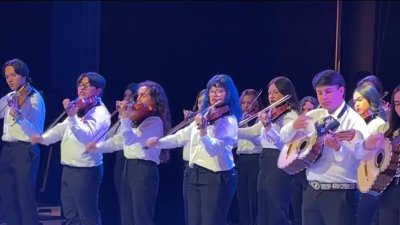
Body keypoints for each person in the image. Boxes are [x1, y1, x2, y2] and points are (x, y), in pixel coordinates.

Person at [145, 74, 241, 225]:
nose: (214, 95)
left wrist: (203, 130)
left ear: (228, 94)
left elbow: (214, 150)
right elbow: (182, 136)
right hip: (193, 174)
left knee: (211, 221)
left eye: (219, 91)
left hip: (216, 177)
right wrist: (159, 142)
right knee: (193, 221)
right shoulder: (205, 115)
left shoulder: (229, 121)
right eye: (212, 91)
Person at [280, 69, 370, 225]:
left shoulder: (354, 121)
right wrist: (293, 126)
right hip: (312, 190)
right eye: (319, 93)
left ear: (341, 90)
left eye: (328, 92)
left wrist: (338, 148)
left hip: (340, 193)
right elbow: (284, 137)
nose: (323, 97)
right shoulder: (315, 114)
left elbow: (361, 157)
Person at [87, 80, 171, 225]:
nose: (138, 99)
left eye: (143, 95)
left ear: (154, 98)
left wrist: (125, 118)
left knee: (141, 217)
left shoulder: (155, 121)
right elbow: (119, 141)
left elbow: (131, 140)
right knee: (127, 216)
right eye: (138, 95)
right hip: (129, 167)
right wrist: (97, 146)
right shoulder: (136, 119)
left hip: (143, 170)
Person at [31, 72, 110, 225]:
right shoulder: (80, 106)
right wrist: (43, 138)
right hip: (69, 168)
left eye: (86, 85)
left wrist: (73, 116)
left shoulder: (100, 113)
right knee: (70, 214)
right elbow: (62, 128)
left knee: (87, 215)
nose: (81, 88)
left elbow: (86, 136)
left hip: (85, 170)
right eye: (80, 85)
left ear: (98, 90)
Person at [238, 76, 299, 225]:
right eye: (269, 93)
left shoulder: (291, 116)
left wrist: (267, 127)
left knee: (277, 210)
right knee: (263, 209)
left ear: (285, 93)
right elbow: (253, 132)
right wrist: (231, 130)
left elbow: (284, 143)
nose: (271, 97)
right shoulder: (271, 113)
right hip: (264, 160)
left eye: (276, 92)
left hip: (278, 160)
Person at [0, 58, 45, 225]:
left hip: (24, 150)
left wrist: (18, 116)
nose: (9, 79)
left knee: (24, 198)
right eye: (6, 76)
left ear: (24, 75)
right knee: (7, 198)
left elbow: (36, 132)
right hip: (7, 149)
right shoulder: (10, 97)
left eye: (13, 75)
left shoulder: (34, 98)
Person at [356, 84, 400, 225]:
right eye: (398, 104)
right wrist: (366, 145)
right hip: (388, 188)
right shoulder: (385, 128)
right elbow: (358, 153)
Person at [352, 84, 386, 225]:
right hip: (356, 179)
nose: (356, 105)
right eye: (354, 101)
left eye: (360, 100)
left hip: (370, 180)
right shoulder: (357, 122)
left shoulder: (378, 123)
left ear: (370, 100)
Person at [106, 82, 138, 225]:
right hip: (120, 161)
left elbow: (128, 137)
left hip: (130, 159)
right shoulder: (121, 119)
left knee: (131, 204)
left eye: (131, 96)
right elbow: (108, 136)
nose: (126, 98)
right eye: (125, 95)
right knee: (123, 201)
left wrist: (125, 116)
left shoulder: (136, 117)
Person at [289, 95, 318, 225]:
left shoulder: (318, 129)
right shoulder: (295, 127)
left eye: (310, 110)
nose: (307, 113)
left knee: (307, 213)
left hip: (311, 174)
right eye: (304, 110)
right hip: (296, 173)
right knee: (296, 209)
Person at [236, 89, 263, 225]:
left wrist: (246, 125)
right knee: (242, 199)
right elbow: (234, 143)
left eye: (249, 102)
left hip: (255, 160)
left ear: (256, 104)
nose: (246, 105)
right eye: (243, 103)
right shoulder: (238, 118)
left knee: (253, 199)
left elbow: (260, 142)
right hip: (241, 161)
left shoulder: (259, 119)